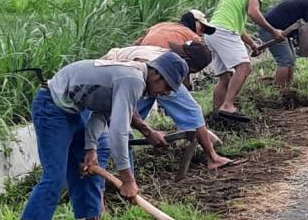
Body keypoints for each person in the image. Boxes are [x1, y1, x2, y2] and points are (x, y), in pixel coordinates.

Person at [10, 52, 189, 220]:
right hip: (52, 106)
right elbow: (119, 132)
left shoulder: (135, 79)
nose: (166, 92)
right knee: (55, 178)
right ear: (157, 76)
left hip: (77, 109)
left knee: (90, 166)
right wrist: (128, 179)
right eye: (167, 87)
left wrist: (90, 148)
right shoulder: (133, 79)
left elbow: (102, 113)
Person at [100, 41, 239, 171]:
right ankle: (123, 179)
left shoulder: (165, 58)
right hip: (112, 79)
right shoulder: (163, 73)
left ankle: (120, 175)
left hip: (107, 71)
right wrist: (212, 154)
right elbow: (192, 112)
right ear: (190, 66)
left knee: (117, 126)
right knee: (118, 130)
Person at [129, 11, 233, 170]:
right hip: (158, 70)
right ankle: (213, 157)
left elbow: (137, 42)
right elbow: (181, 70)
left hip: (133, 66)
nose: (202, 32)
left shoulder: (161, 26)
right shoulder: (193, 38)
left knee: (129, 115)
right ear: (194, 22)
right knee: (192, 111)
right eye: (202, 28)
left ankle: (121, 165)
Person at [205, 0, 285, 122]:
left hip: (212, 33)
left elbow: (239, 28)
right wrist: (273, 31)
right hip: (225, 32)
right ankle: (228, 106)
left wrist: (252, 44)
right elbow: (253, 12)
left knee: (225, 77)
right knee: (245, 67)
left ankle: (217, 115)